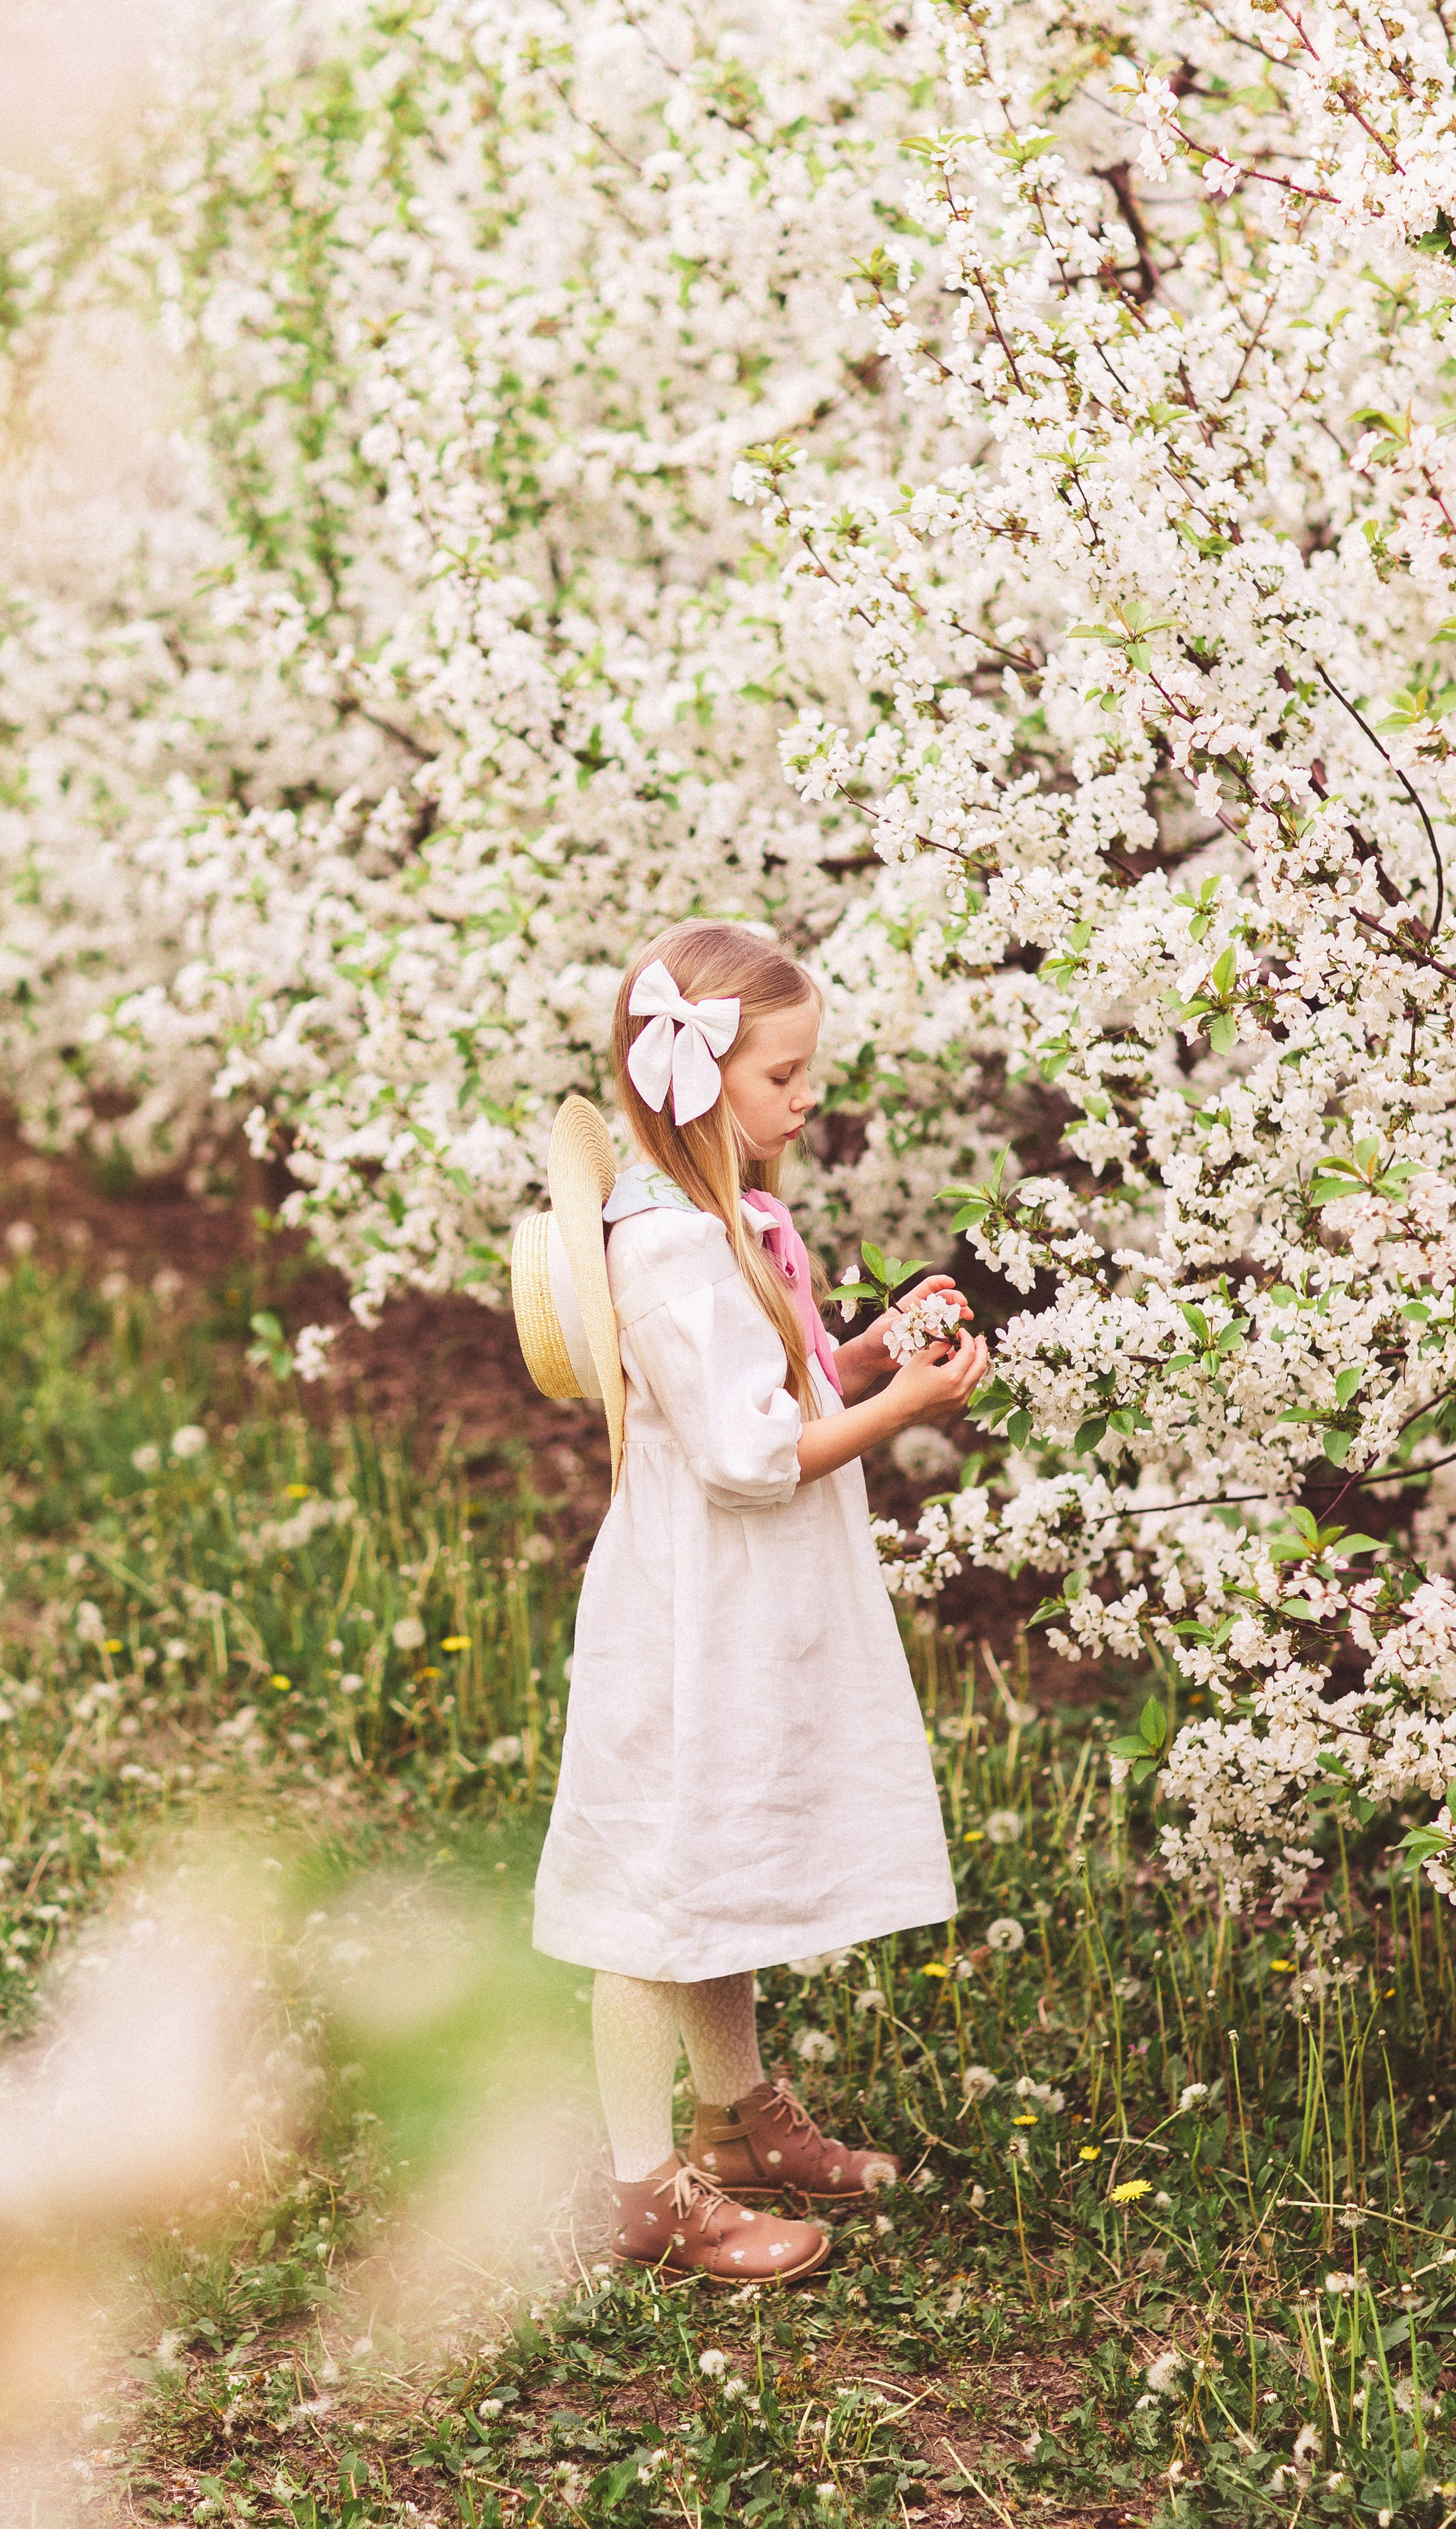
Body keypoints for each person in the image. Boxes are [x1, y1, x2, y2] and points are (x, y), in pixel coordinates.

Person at [530, 919, 988, 2284]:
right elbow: (747, 1457)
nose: (807, 1100)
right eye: (785, 1077)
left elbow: (775, 1388)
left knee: (713, 1854)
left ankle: (736, 2123)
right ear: (703, 1077)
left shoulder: (735, 1221)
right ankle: (640, 2189)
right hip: (693, 1606)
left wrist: (868, 1346)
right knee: (654, 1886)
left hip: (741, 1601)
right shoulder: (668, 1251)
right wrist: (901, 1408)